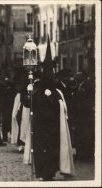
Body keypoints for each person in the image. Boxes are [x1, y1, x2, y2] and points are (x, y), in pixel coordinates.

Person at [32, 37, 75, 180]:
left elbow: (61, 107)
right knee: (43, 150)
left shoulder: (57, 92)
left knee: (52, 150)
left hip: (53, 127)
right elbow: (34, 106)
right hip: (43, 126)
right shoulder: (39, 91)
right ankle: (44, 173)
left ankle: (51, 171)